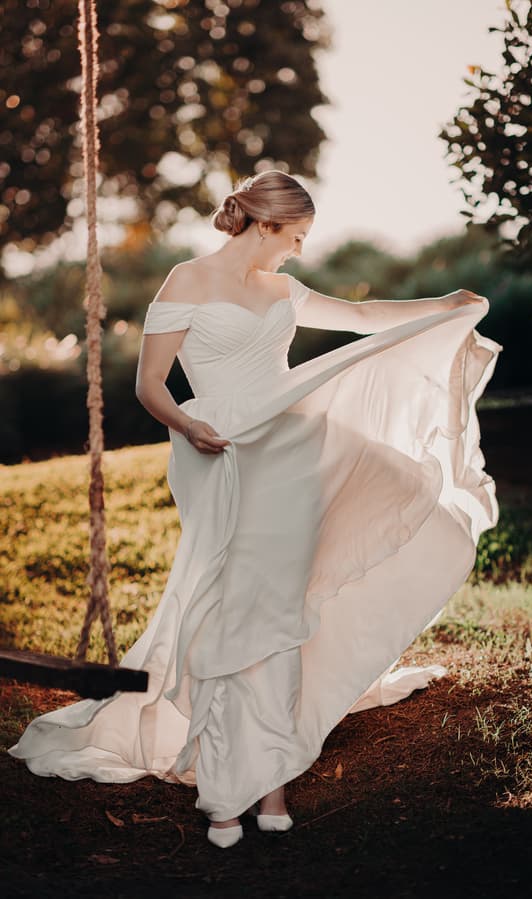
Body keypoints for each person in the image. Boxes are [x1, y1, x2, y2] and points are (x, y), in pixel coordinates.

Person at [9, 170, 502, 850]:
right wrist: (189, 426)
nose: (299, 250)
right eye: (295, 236)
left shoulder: (282, 289)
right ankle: (226, 784)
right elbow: (150, 385)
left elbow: (361, 317)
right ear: (265, 223)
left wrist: (443, 304)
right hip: (220, 451)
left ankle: (267, 782)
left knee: (278, 608)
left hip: (293, 449)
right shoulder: (184, 279)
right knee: (233, 606)